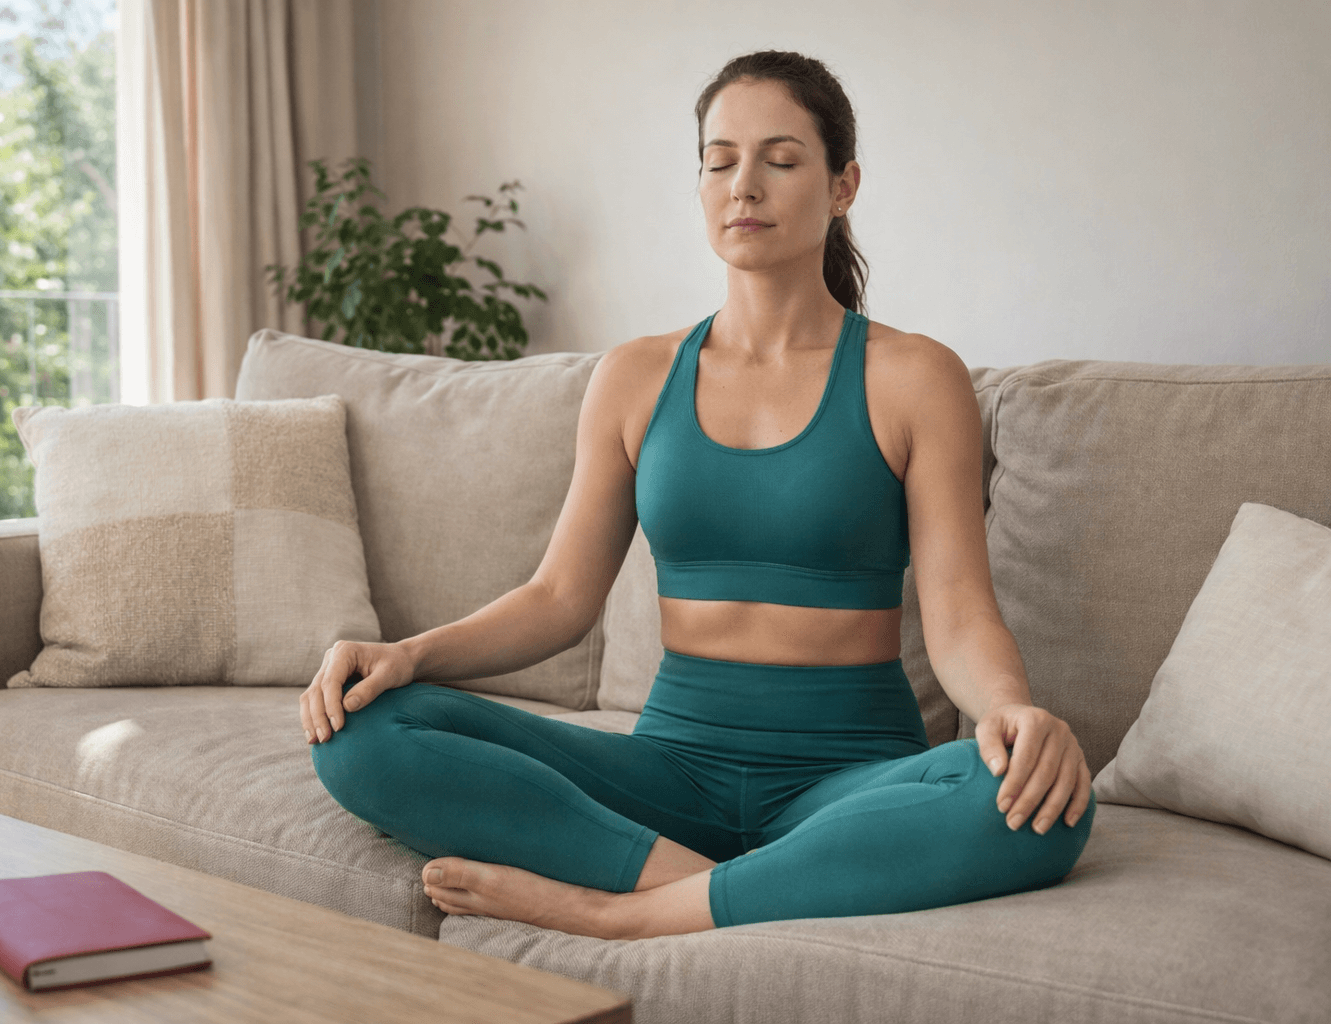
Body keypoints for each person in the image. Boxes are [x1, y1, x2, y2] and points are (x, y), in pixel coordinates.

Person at [301, 49, 1095, 939]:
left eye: (780, 160)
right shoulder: (634, 377)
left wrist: (1011, 712)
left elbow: (959, 615)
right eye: (720, 162)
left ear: (842, 186)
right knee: (365, 729)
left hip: (849, 781)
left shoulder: (914, 377)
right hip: (667, 777)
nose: (743, 185)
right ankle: (744, 886)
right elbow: (559, 598)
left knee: (1040, 802)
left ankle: (620, 910)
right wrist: (408, 654)